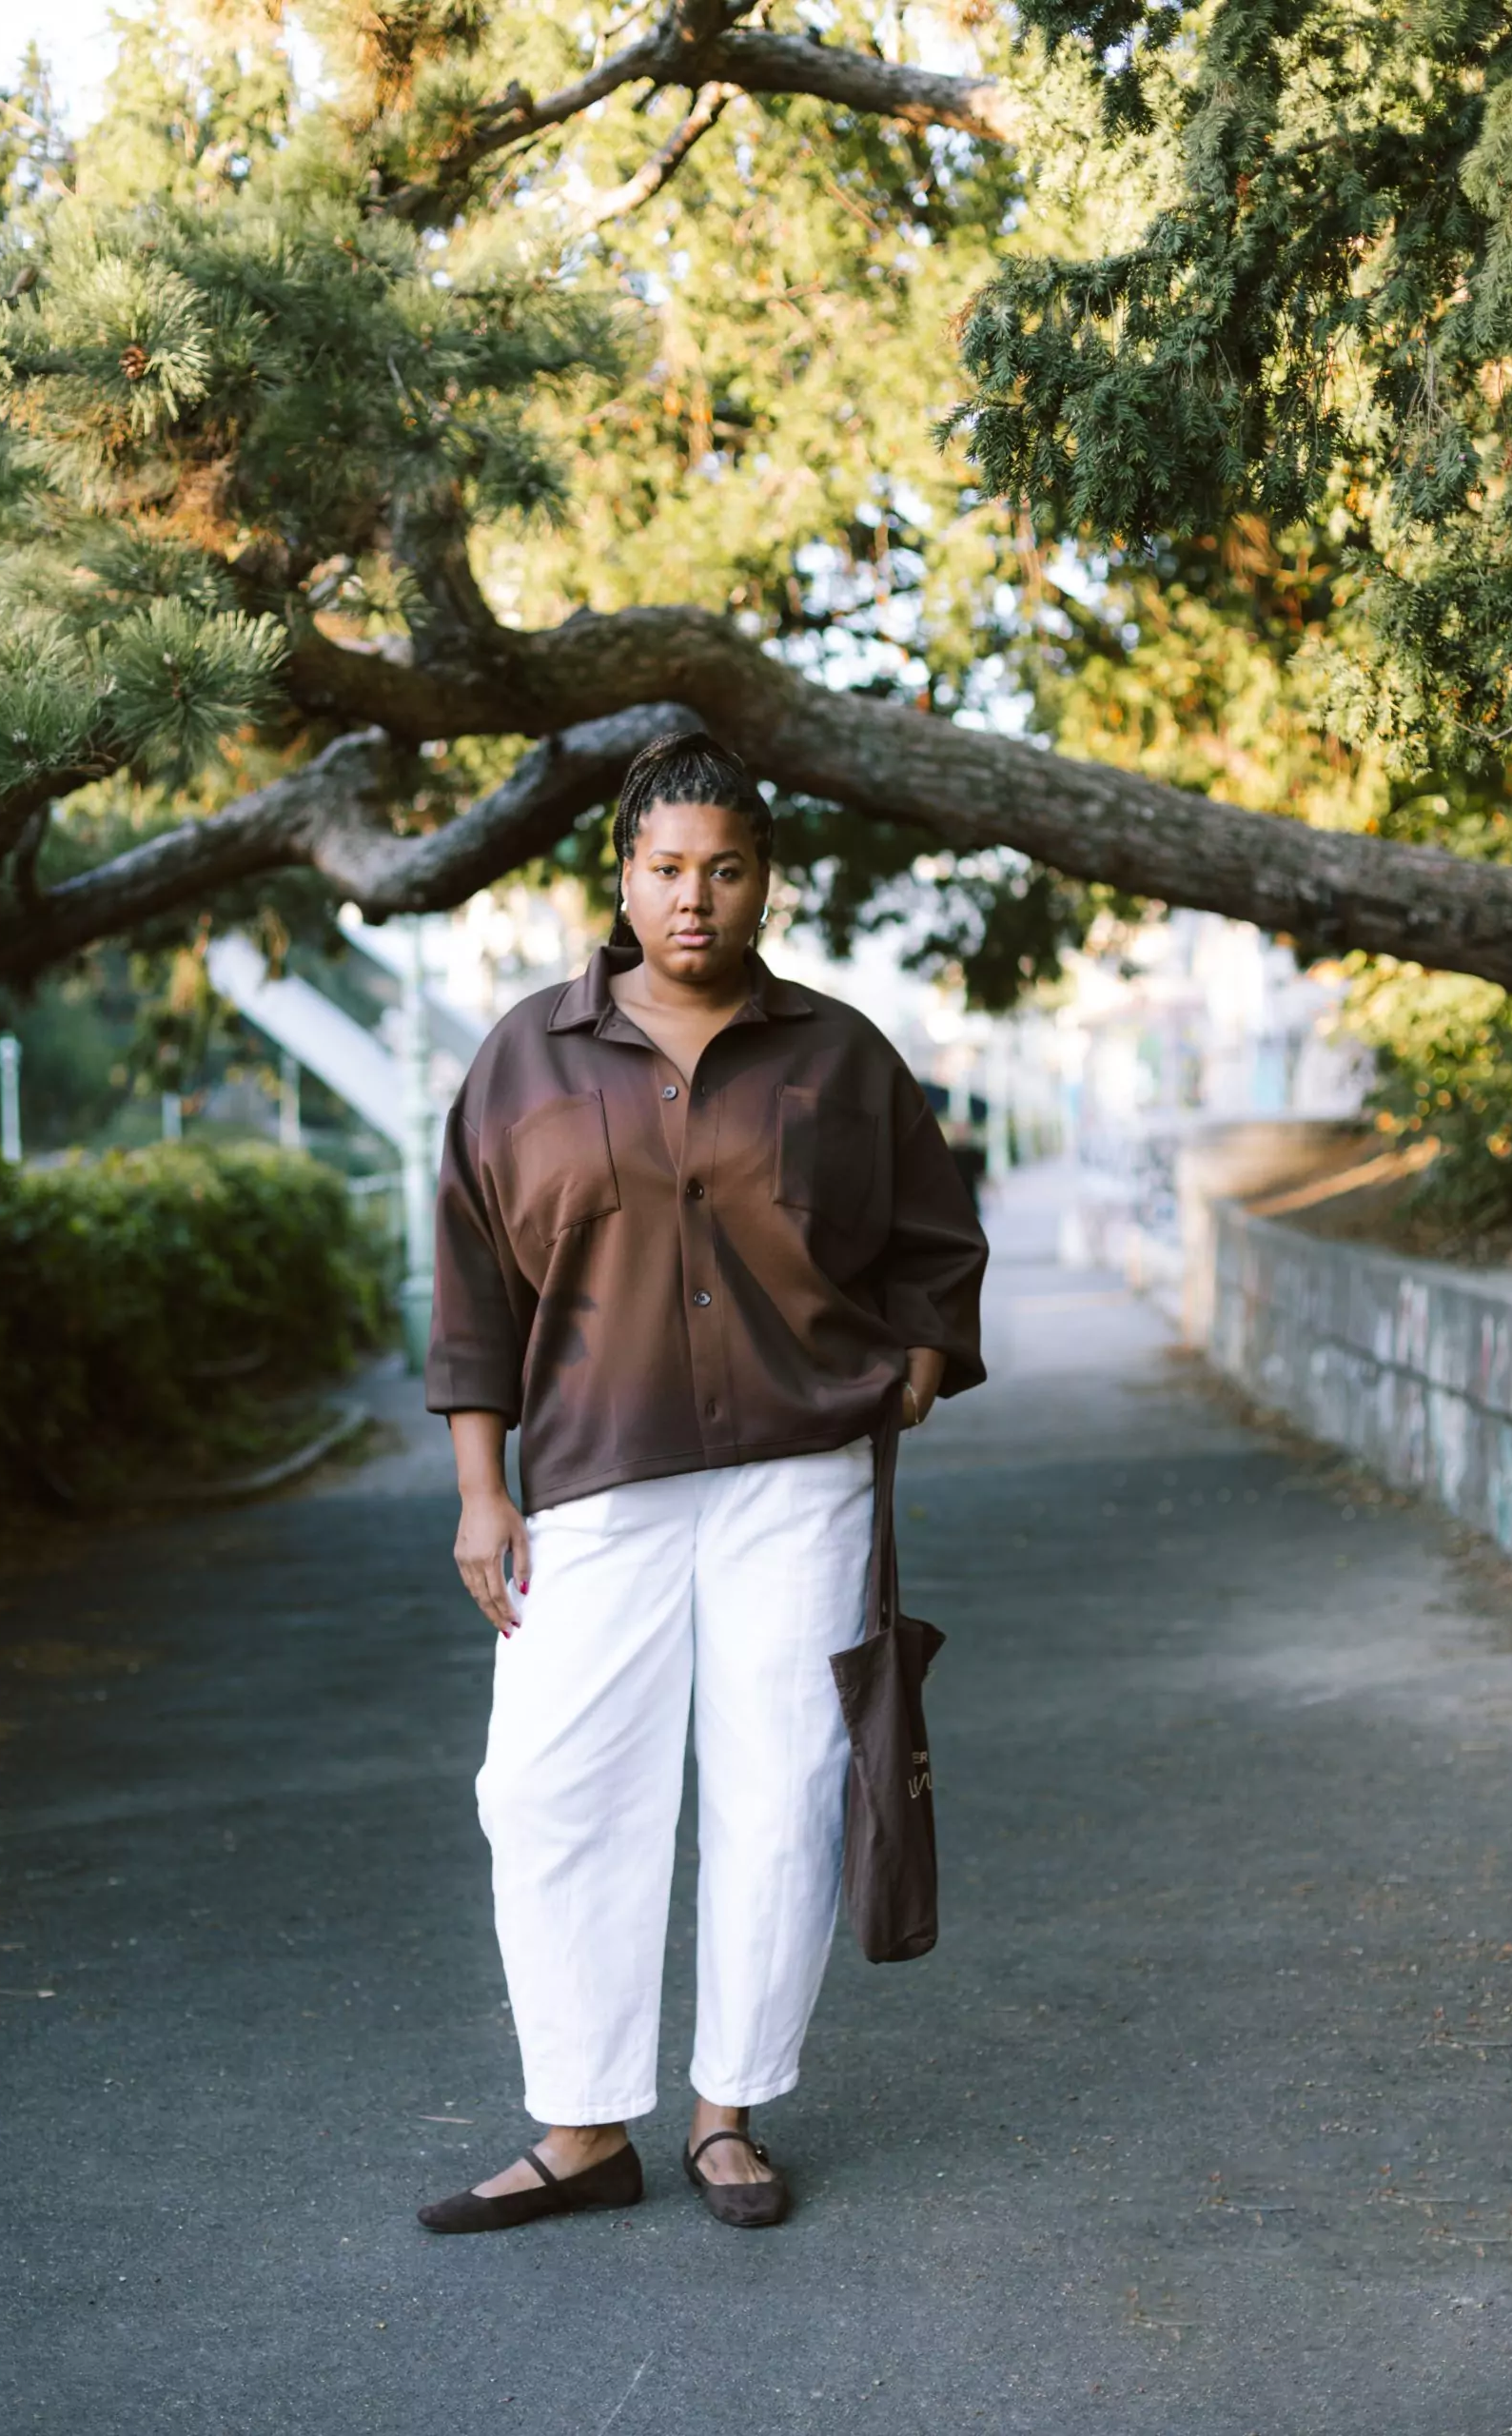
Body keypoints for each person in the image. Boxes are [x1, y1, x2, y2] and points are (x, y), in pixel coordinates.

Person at [418, 730, 988, 2233]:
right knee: (547, 1788)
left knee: (778, 1789)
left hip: (798, 1477)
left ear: (763, 880)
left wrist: (915, 1369)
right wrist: (481, 1488)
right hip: (595, 1478)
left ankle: (728, 2113)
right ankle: (581, 2128)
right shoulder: (525, 1058)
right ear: (622, 876)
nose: (695, 898)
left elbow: (937, 1239)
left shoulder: (839, 1056)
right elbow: (473, 1286)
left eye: (725, 869)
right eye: (668, 868)